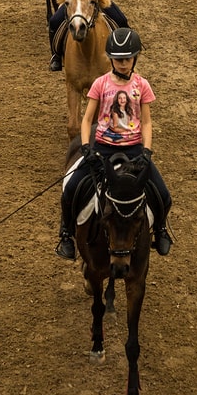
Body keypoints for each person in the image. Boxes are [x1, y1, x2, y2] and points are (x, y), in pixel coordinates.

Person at [56, 27, 173, 260]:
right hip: (103, 147)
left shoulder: (142, 85)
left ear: (134, 58)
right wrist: (87, 148)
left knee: (163, 193)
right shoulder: (100, 84)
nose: (122, 64)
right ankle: (66, 234)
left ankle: (159, 230)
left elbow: (147, 122)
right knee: (71, 188)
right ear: (111, 59)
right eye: (118, 59)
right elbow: (87, 118)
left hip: (133, 149)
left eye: (127, 59)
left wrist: (147, 151)